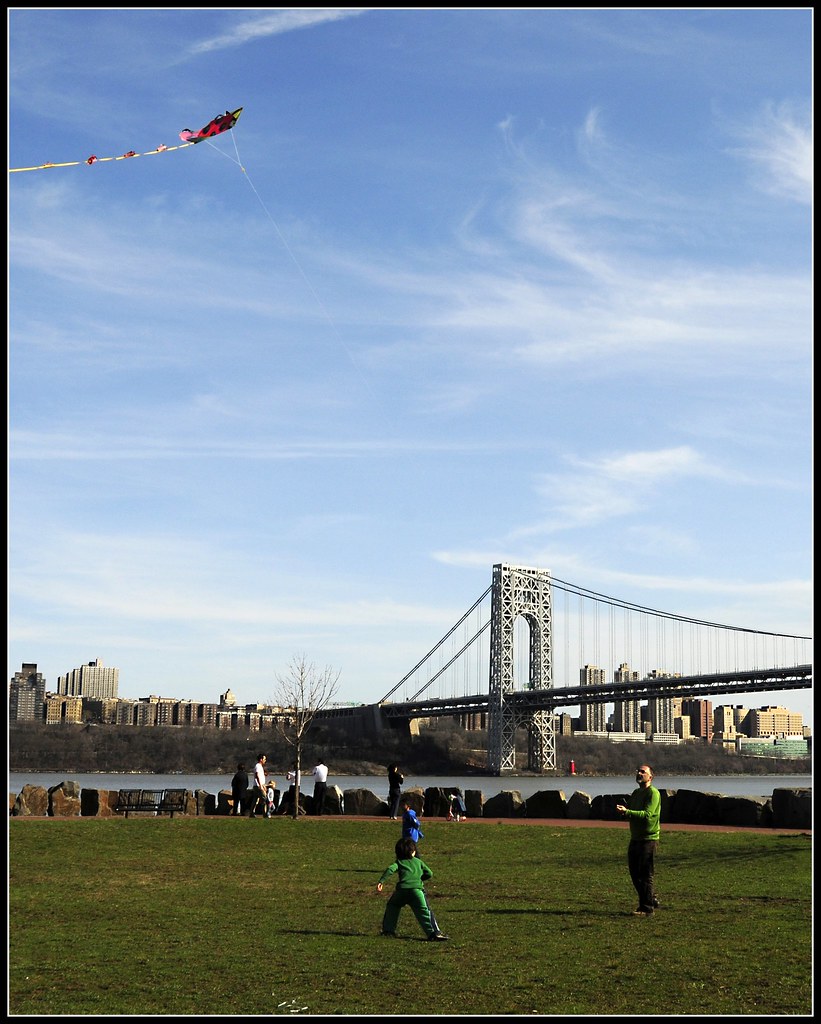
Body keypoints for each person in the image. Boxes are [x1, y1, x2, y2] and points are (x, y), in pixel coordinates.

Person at [377, 836, 448, 941]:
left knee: (393, 906)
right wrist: (420, 879)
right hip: (417, 892)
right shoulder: (418, 862)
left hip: (401, 891)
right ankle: (433, 933)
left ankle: (388, 930)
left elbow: (390, 869)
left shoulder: (399, 862)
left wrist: (381, 881)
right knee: (424, 912)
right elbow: (429, 873)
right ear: (413, 851)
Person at [616, 764, 662, 916]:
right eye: (638, 771)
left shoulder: (653, 794)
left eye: (643, 772)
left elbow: (648, 814)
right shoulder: (636, 793)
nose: (639, 773)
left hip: (648, 838)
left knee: (645, 873)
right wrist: (624, 812)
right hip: (635, 837)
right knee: (635, 873)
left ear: (650, 777)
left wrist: (628, 811)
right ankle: (651, 898)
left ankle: (646, 908)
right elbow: (633, 812)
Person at [248, 753, 267, 818]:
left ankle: (251, 813)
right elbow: (257, 775)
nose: (265, 760)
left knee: (255, 799)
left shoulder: (260, 766)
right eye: (264, 759)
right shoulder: (258, 766)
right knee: (264, 799)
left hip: (258, 785)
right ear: (261, 759)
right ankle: (265, 814)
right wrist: (260, 785)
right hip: (258, 786)